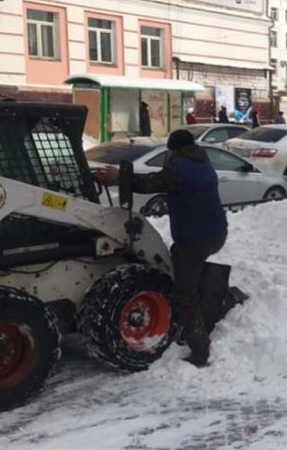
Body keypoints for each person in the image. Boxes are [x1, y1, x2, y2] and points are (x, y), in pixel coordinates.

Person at [93, 130, 227, 367]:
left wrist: (119, 176)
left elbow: (150, 183)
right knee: (183, 266)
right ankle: (201, 303)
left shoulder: (180, 169)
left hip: (194, 238)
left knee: (184, 293)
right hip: (215, 232)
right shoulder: (202, 163)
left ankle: (199, 348)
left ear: (174, 150)